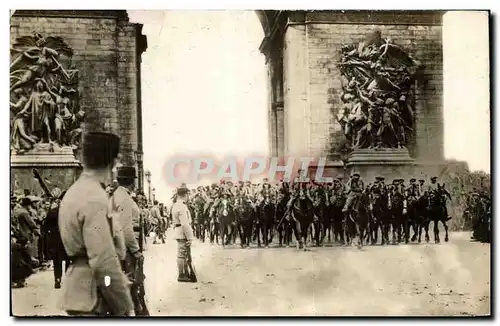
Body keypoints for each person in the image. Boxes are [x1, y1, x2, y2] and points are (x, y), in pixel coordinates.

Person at [58, 131, 133, 316]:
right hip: (96, 297)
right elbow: (103, 261)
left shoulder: (74, 191)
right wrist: (124, 305)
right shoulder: (95, 198)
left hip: (78, 290)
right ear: (113, 162)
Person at [44, 191, 70, 289]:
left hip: (55, 240)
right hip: (67, 240)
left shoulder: (52, 212)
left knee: (56, 261)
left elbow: (45, 227)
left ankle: (57, 279)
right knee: (69, 260)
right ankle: (68, 280)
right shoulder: (71, 213)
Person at [171, 184, 196, 283]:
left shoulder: (176, 205)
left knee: (183, 253)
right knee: (182, 254)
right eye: (188, 195)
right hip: (182, 232)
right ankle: (181, 275)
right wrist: (190, 237)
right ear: (185, 195)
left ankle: (184, 273)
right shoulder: (182, 207)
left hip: (179, 231)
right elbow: (185, 224)